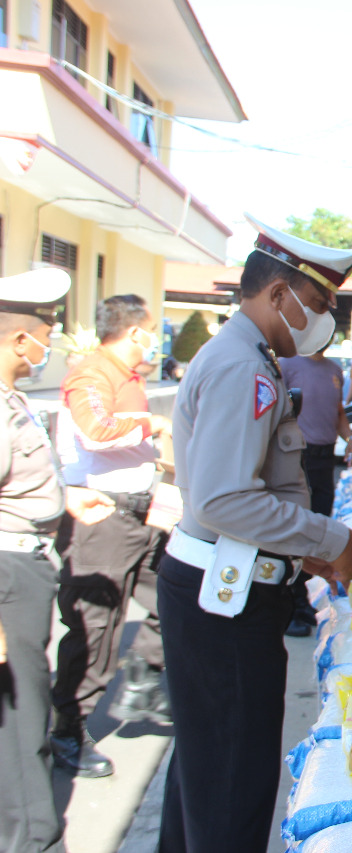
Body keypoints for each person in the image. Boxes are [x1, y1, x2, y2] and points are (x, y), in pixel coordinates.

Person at [156, 215, 352, 853]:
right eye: (319, 303)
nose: (325, 319)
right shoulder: (239, 367)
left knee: (206, 771)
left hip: (229, 581)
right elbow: (225, 499)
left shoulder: (251, 358)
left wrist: (297, 555)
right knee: (230, 783)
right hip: (220, 599)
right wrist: (329, 540)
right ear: (277, 294)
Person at [1, 268, 117, 853]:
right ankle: (35, 840)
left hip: (23, 561)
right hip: (7, 573)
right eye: (47, 327)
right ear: (22, 339)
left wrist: (64, 501)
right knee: (22, 727)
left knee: (23, 716)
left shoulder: (13, 399)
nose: (51, 339)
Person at [48, 295, 171, 779]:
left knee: (172, 595)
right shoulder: (92, 372)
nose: (155, 341)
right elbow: (96, 429)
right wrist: (152, 424)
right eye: (151, 331)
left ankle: (145, 677)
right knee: (96, 629)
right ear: (134, 332)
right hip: (101, 513)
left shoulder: (130, 378)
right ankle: (69, 732)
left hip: (142, 509)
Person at [278, 349, 352, 637]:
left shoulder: (334, 370)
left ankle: (300, 601)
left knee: (315, 529)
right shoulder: (288, 365)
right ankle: (292, 605)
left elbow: (338, 412)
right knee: (297, 530)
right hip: (299, 456)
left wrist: (350, 439)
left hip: (325, 459)